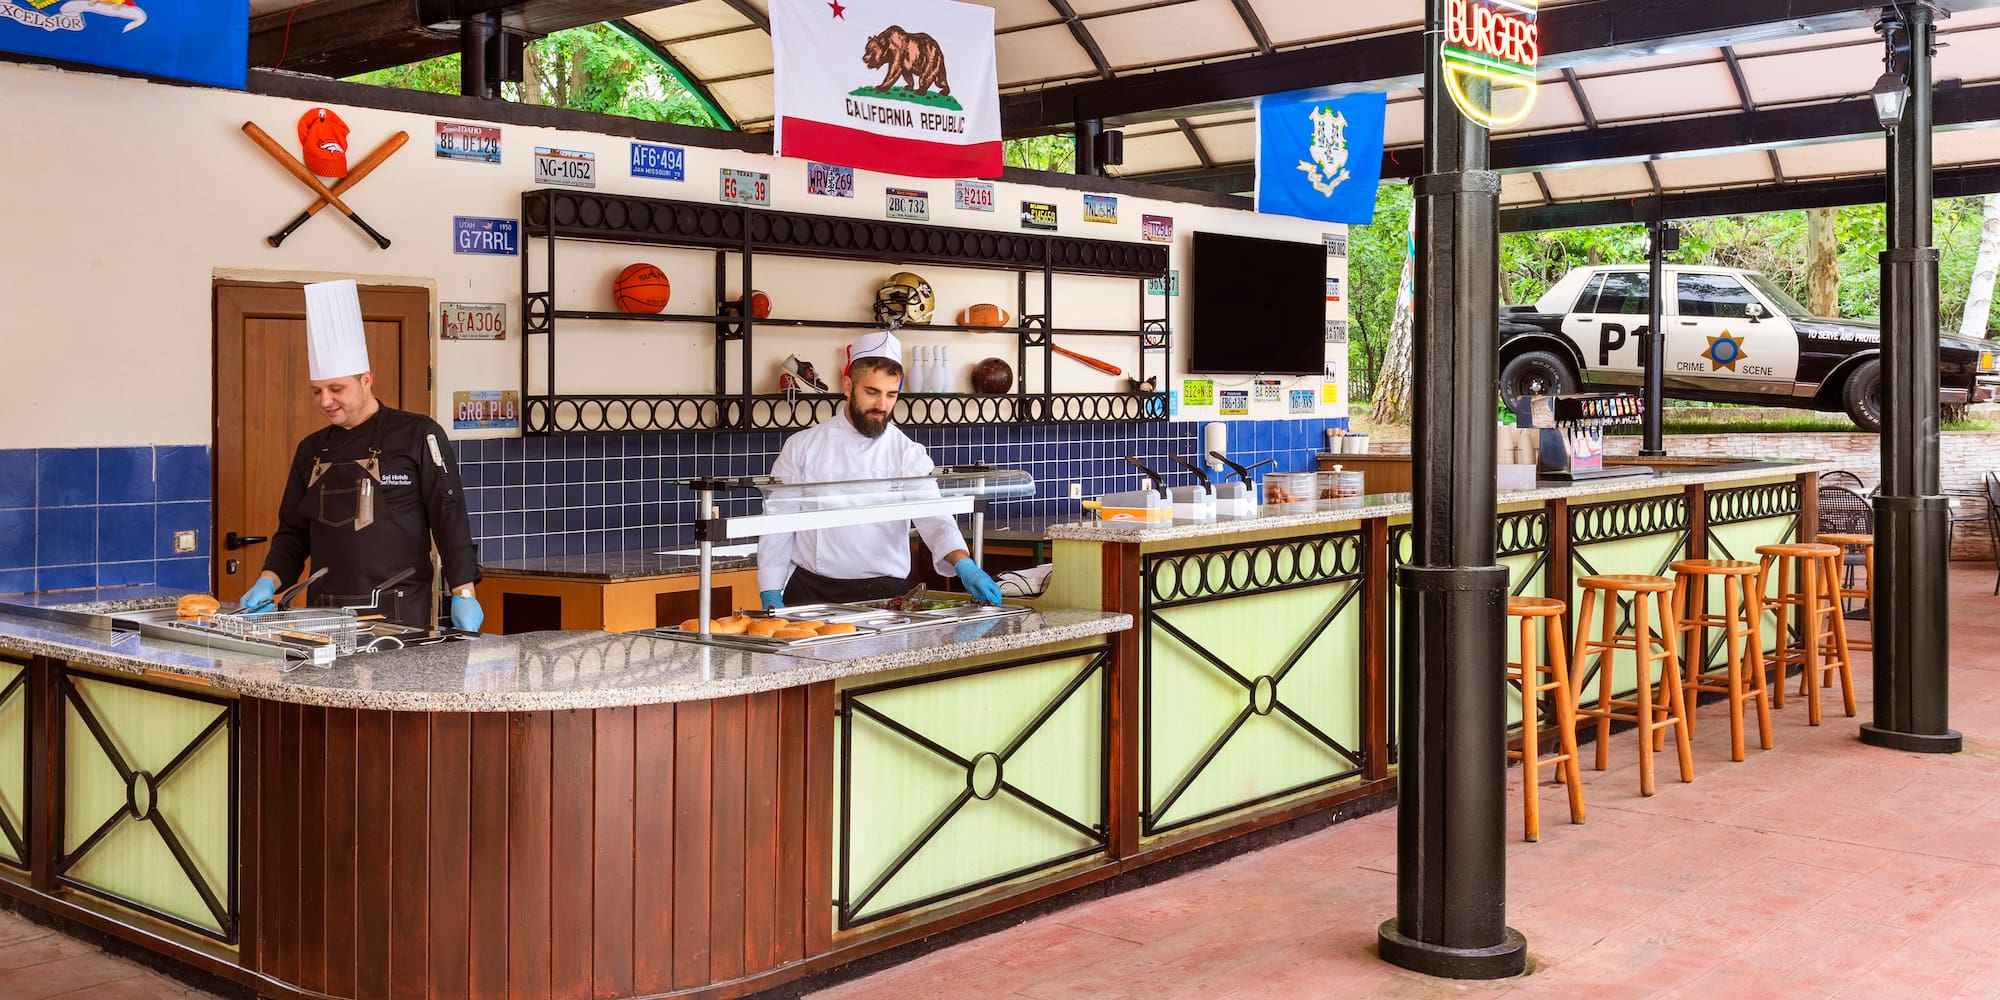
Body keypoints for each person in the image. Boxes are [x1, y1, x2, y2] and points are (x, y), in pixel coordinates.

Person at [241, 280, 484, 631]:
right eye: (317, 391)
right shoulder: (311, 450)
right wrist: (269, 581)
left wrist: (464, 593)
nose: (325, 401)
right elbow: (293, 534)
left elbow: (449, 517)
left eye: (336, 388)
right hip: (322, 614)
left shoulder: (418, 434)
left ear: (366, 379)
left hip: (398, 612)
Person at [756, 331, 1002, 609]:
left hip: (886, 595)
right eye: (871, 392)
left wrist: (966, 566)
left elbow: (934, 518)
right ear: (848, 386)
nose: (882, 405)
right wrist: (770, 590)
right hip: (812, 593)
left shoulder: (906, 452)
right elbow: (778, 525)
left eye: (891, 394)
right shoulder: (801, 447)